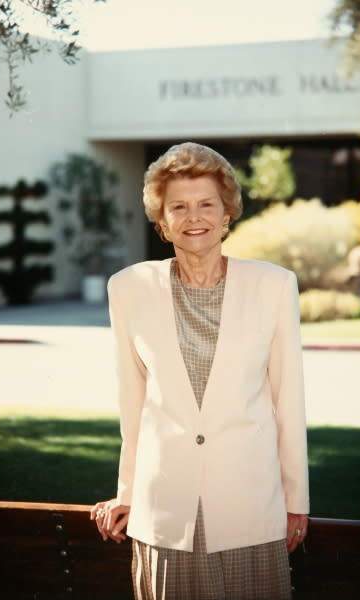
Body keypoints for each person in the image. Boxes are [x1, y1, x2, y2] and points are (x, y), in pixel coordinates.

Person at [91, 142, 309, 600]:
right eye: (179, 208)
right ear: (162, 222)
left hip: (251, 509)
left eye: (207, 204)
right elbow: (132, 405)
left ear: (227, 213)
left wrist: (295, 501)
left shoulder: (273, 285)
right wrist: (127, 491)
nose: (195, 218)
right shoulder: (128, 289)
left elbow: (288, 402)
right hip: (163, 512)